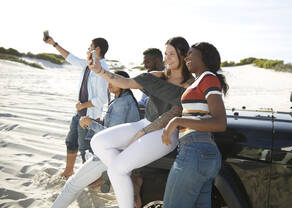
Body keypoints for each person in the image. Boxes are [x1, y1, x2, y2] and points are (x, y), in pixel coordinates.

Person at [87, 37, 194, 208]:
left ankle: (125, 182)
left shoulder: (190, 84)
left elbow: (173, 113)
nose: (167, 58)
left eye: (172, 54)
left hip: (166, 133)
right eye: (166, 53)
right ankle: (129, 177)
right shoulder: (156, 76)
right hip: (145, 122)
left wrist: (142, 133)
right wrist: (100, 71)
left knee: (116, 169)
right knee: (98, 141)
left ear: (182, 55)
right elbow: (125, 82)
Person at [51, 71, 141, 208]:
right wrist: (95, 121)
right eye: (108, 81)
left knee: (72, 185)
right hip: (119, 155)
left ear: (124, 84)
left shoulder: (121, 103)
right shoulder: (124, 99)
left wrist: (91, 123)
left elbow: (112, 135)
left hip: (109, 154)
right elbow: (116, 127)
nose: (109, 84)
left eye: (113, 81)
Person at [161, 42, 228, 208]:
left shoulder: (208, 78)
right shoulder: (200, 80)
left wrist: (177, 121)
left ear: (203, 57)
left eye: (191, 54)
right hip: (204, 154)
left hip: (194, 151)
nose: (186, 57)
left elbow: (220, 123)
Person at [44, 36, 109, 179]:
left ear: (97, 49)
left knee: (85, 149)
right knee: (71, 141)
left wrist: (83, 105)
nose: (88, 48)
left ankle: (93, 179)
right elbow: (70, 57)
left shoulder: (102, 69)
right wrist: (54, 44)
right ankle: (68, 171)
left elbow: (102, 99)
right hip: (79, 113)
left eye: (90, 45)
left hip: (89, 117)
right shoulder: (88, 64)